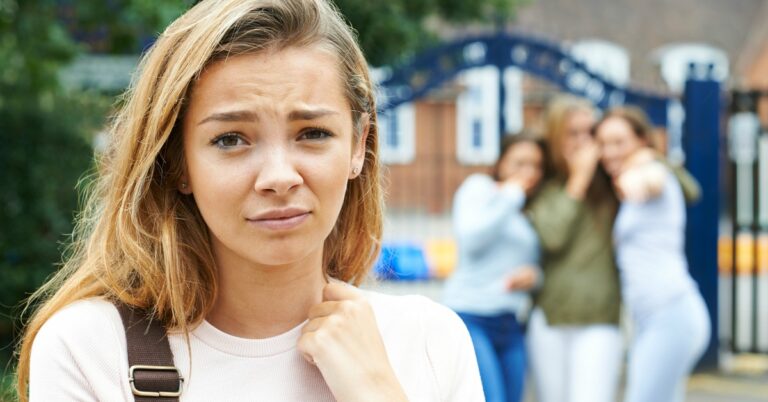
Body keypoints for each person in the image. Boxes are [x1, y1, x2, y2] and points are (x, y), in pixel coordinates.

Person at [15, 1, 483, 401]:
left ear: (359, 146)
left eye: (313, 133)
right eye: (231, 139)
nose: (279, 177)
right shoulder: (92, 350)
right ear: (178, 162)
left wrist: (378, 391)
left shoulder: (429, 342)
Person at [593, 107, 710, 402]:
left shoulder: (652, 172)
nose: (609, 152)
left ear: (642, 140)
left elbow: (650, 182)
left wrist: (640, 170)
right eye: (603, 143)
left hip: (670, 313)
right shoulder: (630, 180)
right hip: (651, 320)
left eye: (619, 142)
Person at [525, 95, 624, 402]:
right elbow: (552, 236)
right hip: (551, 318)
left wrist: (648, 165)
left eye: (589, 132)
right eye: (573, 133)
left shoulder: (611, 182)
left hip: (599, 319)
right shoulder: (544, 186)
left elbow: (685, 186)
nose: (583, 142)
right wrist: (578, 180)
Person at [443, 133, 546, 402]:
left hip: (510, 323)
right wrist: (511, 194)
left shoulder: (527, 210)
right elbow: (471, 239)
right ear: (501, 163)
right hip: (471, 317)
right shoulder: (480, 189)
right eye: (520, 163)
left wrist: (535, 277)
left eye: (536, 166)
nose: (529, 173)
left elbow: (533, 264)